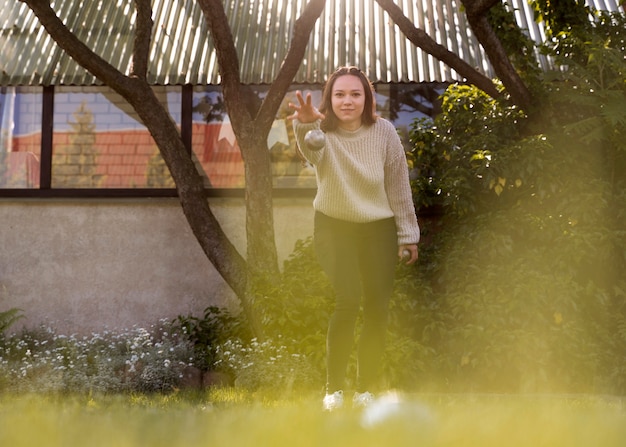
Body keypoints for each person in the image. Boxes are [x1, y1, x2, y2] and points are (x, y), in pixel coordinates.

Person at [288, 66, 420, 411]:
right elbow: (310, 150)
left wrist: (408, 234)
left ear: (366, 98)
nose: (348, 101)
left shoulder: (384, 133)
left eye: (355, 94)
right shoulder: (321, 133)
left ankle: (366, 390)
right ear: (330, 100)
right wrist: (304, 124)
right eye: (340, 94)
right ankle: (333, 391)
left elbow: (398, 185)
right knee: (348, 299)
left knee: (377, 306)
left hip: (378, 227)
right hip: (334, 227)